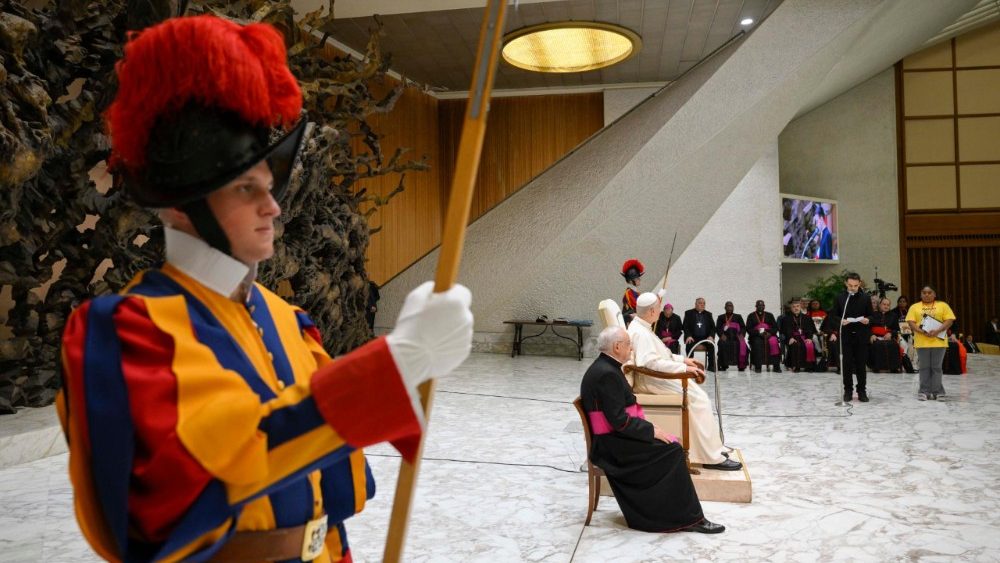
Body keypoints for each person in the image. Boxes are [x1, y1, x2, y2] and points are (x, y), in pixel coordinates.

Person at [57, 16, 474, 563]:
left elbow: (327, 473)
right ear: (182, 205)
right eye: (245, 188)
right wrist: (398, 361)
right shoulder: (125, 329)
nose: (272, 207)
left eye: (269, 186)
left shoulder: (286, 317)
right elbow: (198, 478)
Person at [580, 327, 725, 534]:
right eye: (629, 344)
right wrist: (651, 431)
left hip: (615, 439)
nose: (631, 348)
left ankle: (674, 513)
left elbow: (619, 417)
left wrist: (650, 428)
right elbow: (619, 421)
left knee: (671, 446)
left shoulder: (606, 367)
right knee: (673, 451)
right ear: (617, 346)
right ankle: (688, 518)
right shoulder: (606, 374)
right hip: (613, 447)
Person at [627, 293, 741, 471]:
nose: (660, 310)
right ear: (651, 311)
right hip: (652, 379)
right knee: (700, 400)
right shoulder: (641, 332)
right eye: (658, 307)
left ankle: (711, 448)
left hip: (657, 374)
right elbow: (650, 363)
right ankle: (710, 457)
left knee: (700, 396)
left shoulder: (642, 326)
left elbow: (661, 353)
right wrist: (684, 370)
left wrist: (682, 360)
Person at [905, 284, 956, 401]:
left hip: (939, 342)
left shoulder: (943, 305)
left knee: (936, 367)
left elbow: (949, 320)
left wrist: (938, 330)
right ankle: (924, 391)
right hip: (922, 342)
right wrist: (922, 331)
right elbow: (911, 323)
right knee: (924, 367)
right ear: (920, 294)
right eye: (924, 292)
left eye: (929, 292)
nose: (927, 295)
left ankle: (938, 392)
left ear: (935, 294)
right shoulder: (914, 307)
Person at [834, 273, 873, 403]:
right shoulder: (840, 298)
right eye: (850, 285)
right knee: (847, 365)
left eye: (855, 286)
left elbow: (872, 315)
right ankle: (848, 391)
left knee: (861, 365)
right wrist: (841, 321)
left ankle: (861, 390)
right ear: (846, 284)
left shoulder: (866, 298)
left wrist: (868, 320)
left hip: (861, 335)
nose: (853, 288)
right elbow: (833, 316)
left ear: (859, 284)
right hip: (846, 335)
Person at [779, 298, 816, 372]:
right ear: (791, 308)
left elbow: (811, 329)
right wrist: (790, 338)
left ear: (800, 307)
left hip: (804, 337)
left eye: (797, 306)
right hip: (792, 337)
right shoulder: (786, 319)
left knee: (809, 344)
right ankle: (796, 366)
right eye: (794, 307)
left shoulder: (807, 318)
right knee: (796, 345)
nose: (796, 308)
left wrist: (809, 338)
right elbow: (785, 330)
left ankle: (808, 366)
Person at [746, 300, 781, 373]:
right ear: (756, 306)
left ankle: (776, 366)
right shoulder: (751, 316)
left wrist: (770, 333)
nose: (760, 306)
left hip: (769, 335)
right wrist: (758, 333)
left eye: (762, 305)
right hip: (756, 336)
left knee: (774, 342)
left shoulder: (770, 315)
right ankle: (758, 367)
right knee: (757, 343)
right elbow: (748, 329)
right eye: (759, 305)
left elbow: (775, 327)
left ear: (764, 306)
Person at [683, 297, 716, 372]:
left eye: (704, 303)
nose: (702, 305)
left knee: (711, 345)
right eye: (700, 303)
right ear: (695, 304)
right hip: (692, 337)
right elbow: (685, 326)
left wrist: (711, 336)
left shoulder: (708, 314)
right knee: (689, 344)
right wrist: (688, 336)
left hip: (705, 338)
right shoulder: (688, 313)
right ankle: (690, 365)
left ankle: (711, 366)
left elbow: (713, 328)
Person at [868, 297, 902, 373]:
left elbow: (897, 329)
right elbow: (867, 328)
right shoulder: (873, 315)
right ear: (879, 305)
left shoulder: (894, 315)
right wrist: (871, 335)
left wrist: (891, 334)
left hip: (888, 337)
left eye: (888, 305)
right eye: (884, 304)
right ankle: (876, 367)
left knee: (893, 345)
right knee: (877, 344)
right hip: (875, 337)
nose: (886, 306)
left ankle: (894, 367)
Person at [716, 301, 748, 372]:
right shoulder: (721, 317)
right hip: (725, 336)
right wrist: (721, 335)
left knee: (742, 344)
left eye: (731, 306)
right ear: (725, 308)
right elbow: (718, 328)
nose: (730, 307)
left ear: (733, 308)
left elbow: (743, 327)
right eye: (728, 306)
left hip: (737, 336)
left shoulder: (738, 316)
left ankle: (741, 365)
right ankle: (724, 365)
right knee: (722, 343)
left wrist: (741, 335)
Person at [621, 259, 644, 326]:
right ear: (631, 281)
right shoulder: (629, 293)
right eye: (637, 278)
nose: (639, 280)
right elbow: (638, 306)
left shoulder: (635, 292)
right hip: (631, 323)